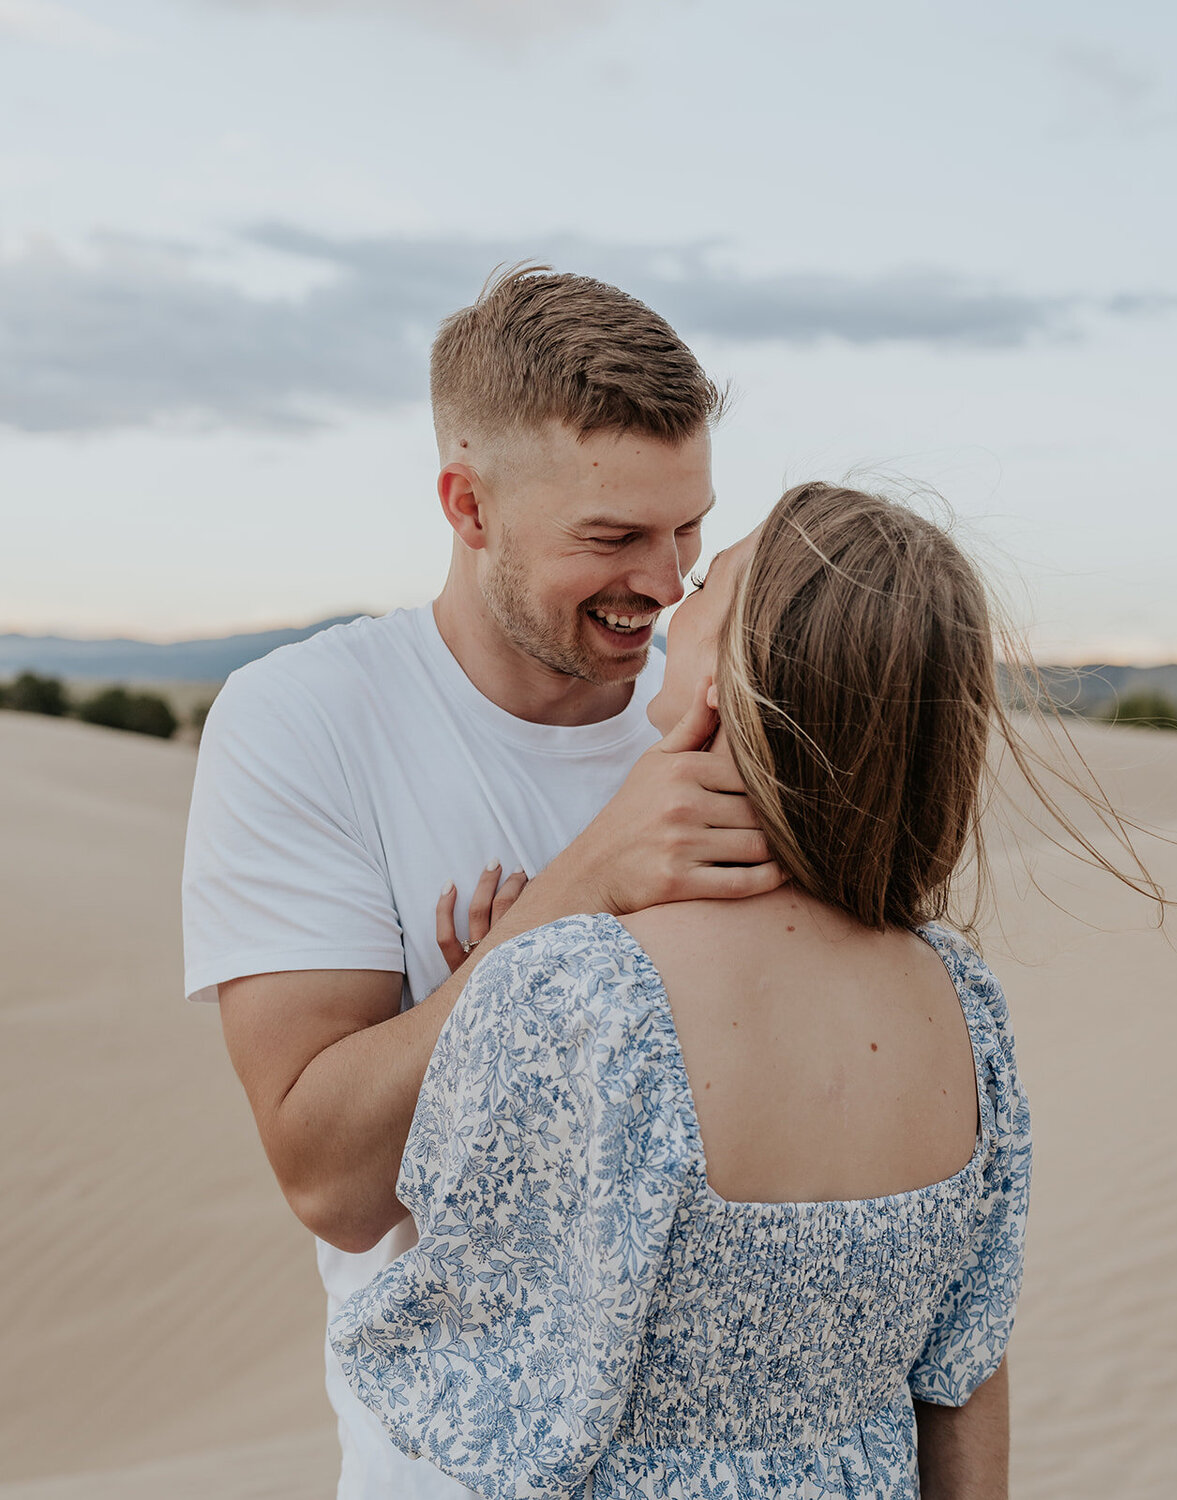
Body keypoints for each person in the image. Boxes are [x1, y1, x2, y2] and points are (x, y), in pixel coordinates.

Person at [181, 267, 781, 1500]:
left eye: (690, 530)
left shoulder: (728, 717)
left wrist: (487, 1010)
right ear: (468, 506)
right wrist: (577, 900)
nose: (669, 585)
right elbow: (332, 1182)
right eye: (612, 539)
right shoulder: (308, 721)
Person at [328, 482, 1041, 1500]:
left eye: (704, 584)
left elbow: (477, 1371)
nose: (669, 600)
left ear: (733, 676)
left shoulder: (583, 995)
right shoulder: (966, 1006)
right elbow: (966, 1376)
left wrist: (494, 1026)